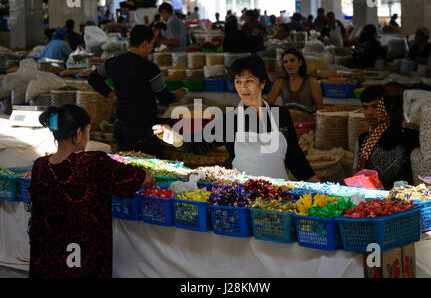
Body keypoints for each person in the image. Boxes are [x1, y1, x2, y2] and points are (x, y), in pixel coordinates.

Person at [28, 105, 155, 278]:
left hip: (48, 259)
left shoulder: (40, 166)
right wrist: (149, 175)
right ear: (79, 133)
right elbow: (143, 178)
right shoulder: (91, 163)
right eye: (88, 131)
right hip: (83, 258)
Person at [153, 56, 320, 182]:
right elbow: (197, 145)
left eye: (249, 81)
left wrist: (319, 187)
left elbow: (294, 157)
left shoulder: (281, 114)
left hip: (281, 193)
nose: (243, 87)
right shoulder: (230, 120)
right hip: (245, 195)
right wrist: (174, 138)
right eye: (238, 81)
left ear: (262, 83)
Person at [88, 25, 185, 156]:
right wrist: (177, 95)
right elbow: (165, 97)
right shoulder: (150, 68)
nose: (152, 49)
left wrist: (112, 95)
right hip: (143, 127)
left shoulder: (114, 62)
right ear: (145, 44)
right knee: (149, 165)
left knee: (126, 163)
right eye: (152, 44)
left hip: (121, 124)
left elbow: (93, 78)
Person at [354, 92, 419, 189]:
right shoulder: (412, 135)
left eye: (375, 107)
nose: (369, 112)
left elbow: (357, 172)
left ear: (381, 113)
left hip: (372, 196)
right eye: (365, 108)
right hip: (403, 196)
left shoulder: (366, 139)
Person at [267, 49, 323, 113]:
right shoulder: (280, 82)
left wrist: (305, 111)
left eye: (292, 60)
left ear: (300, 63)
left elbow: (320, 107)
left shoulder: (312, 81)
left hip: (307, 120)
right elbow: (268, 103)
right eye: (285, 62)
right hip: (287, 121)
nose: (289, 64)